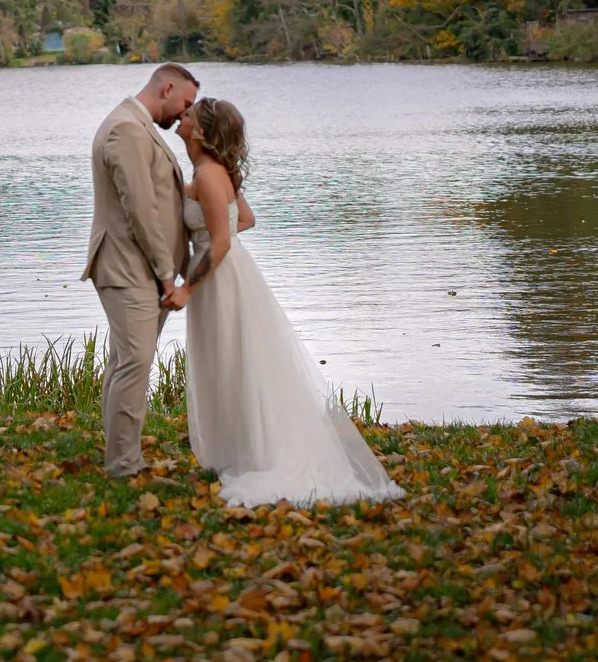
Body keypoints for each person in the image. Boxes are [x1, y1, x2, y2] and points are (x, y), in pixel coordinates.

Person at [164, 96, 404, 508]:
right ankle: (244, 448)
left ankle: (253, 455)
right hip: (232, 273)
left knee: (231, 359)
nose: (181, 117)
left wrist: (187, 287)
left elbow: (221, 242)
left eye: (188, 115)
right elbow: (245, 220)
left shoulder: (208, 174)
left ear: (201, 131)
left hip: (220, 278)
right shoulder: (213, 172)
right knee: (233, 360)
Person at [82, 63, 196, 477]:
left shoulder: (136, 125)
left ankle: (121, 456)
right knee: (135, 363)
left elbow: (159, 197)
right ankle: (124, 465)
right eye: (186, 103)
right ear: (167, 88)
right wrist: (167, 275)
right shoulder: (126, 129)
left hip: (138, 267)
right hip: (128, 266)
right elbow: (141, 210)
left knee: (124, 362)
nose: (186, 114)